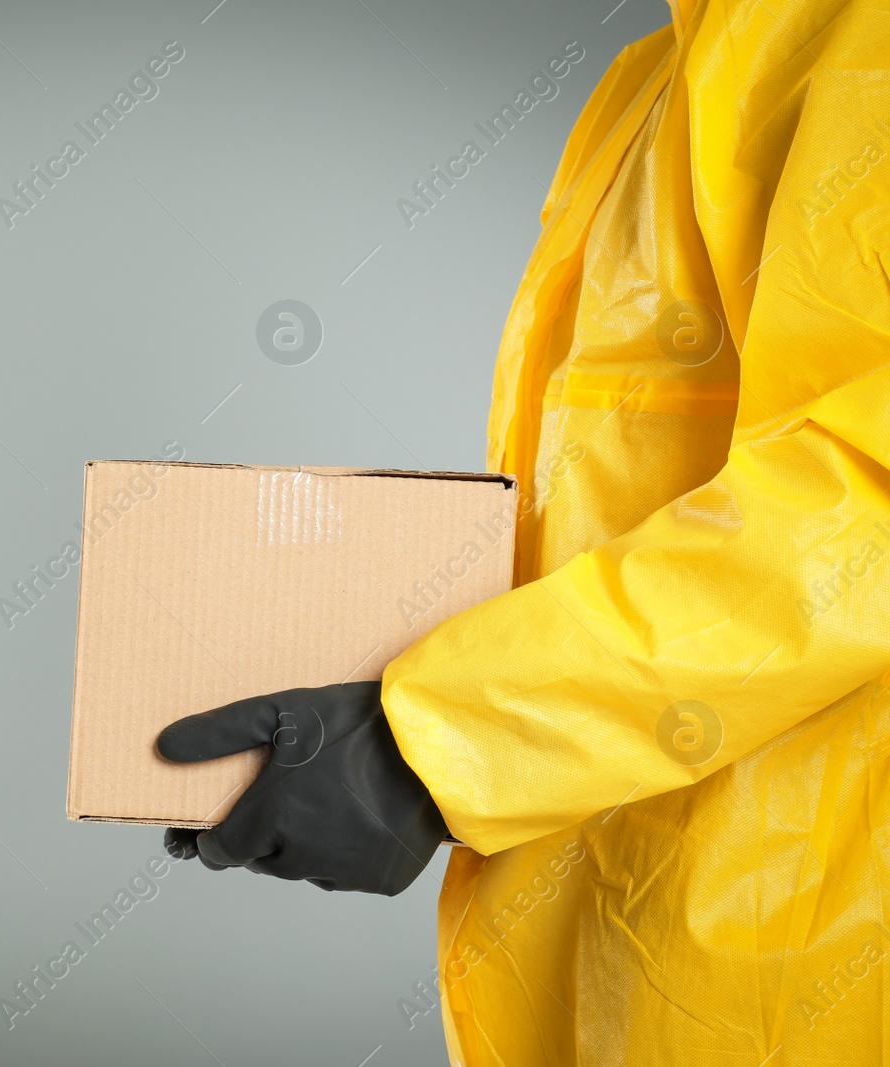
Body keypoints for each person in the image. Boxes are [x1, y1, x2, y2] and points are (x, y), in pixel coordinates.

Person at [158, 0, 890, 1061]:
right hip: (613, 906)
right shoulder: (664, 67)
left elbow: (862, 508)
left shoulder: (861, 44)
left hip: (810, 941)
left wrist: (438, 744)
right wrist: (371, 699)